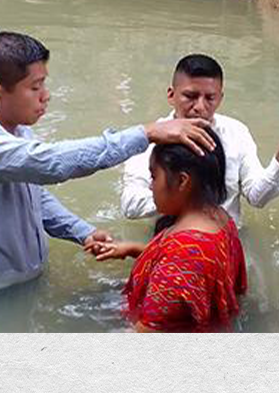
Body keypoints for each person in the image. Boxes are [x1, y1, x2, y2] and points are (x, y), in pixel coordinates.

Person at [0, 32, 215, 292]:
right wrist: (147, 133)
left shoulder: (15, 128)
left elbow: (34, 195)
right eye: (35, 87)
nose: (46, 95)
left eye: (44, 83)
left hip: (22, 282)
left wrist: (83, 232)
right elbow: (50, 164)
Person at [120, 54, 279, 227]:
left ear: (220, 98)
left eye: (210, 98)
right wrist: (187, 202)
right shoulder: (152, 138)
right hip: (168, 238)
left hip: (224, 239)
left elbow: (257, 198)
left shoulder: (235, 133)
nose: (200, 107)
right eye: (190, 96)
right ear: (171, 95)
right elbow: (129, 204)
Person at [95, 128, 245, 332]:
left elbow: (146, 333)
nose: (150, 186)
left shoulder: (182, 260)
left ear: (183, 181)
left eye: (154, 176)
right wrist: (135, 249)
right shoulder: (219, 218)